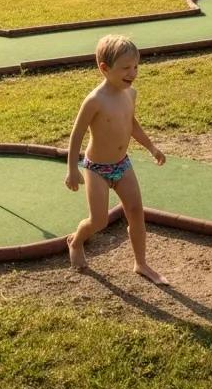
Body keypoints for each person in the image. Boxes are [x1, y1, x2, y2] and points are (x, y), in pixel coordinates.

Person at [64, 35, 167, 284]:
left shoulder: (130, 94)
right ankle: (75, 241)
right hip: (96, 168)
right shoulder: (94, 101)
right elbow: (76, 136)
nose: (133, 73)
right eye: (125, 68)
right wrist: (72, 170)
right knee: (99, 221)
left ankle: (141, 264)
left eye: (136, 67)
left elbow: (132, 125)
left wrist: (152, 147)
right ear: (105, 68)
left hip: (122, 164)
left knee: (136, 212)